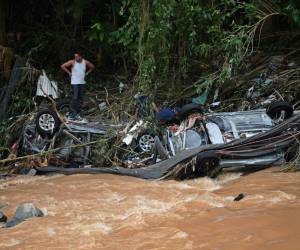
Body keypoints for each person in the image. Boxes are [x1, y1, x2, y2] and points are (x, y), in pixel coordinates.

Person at [61, 52, 95, 122]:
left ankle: (78, 113)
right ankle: (71, 114)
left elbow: (92, 67)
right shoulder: (73, 62)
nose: (76, 58)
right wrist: (69, 73)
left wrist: (87, 73)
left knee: (81, 98)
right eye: (75, 57)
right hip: (75, 83)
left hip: (82, 83)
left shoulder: (85, 62)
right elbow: (63, 66)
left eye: (77, 57)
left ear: (80, 57)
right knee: (75, 98)